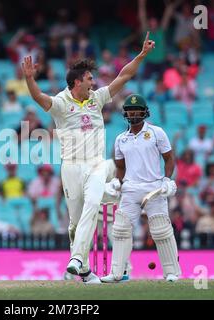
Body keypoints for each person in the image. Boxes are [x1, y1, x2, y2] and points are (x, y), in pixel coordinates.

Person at [22, 32, 155, 284]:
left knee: (93, 203)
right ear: (76, 83)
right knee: (76, 224)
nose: (94, 82)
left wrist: (142, 54)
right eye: (89, 79)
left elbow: (124, 76)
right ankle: (83, 269)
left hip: (97, 164)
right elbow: (39, 98)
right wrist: (30, 79)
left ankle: (74, 259)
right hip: (71, 168)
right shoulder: (61, 103)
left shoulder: (97, 98)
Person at [100, 94, 180, 283]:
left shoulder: (156, 132)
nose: (133, 113)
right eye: (129, 110)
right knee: (120, 229)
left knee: (161, 230)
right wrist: (117, 183)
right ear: (124, 113)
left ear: (145, 112)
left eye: (137, 110)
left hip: (154, 187)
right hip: (130, 188)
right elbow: (120, 167)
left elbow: (169, 158)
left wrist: (167, 180)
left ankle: (171, 273)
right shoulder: (121, 139)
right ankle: (117, 273)